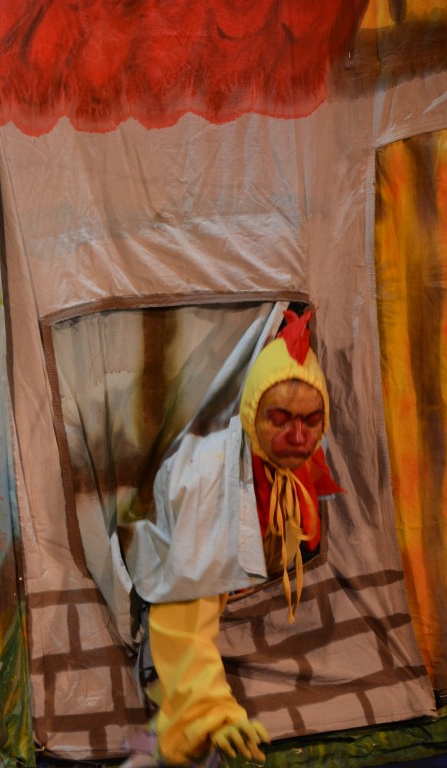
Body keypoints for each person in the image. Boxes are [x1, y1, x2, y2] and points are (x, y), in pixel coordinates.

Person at [138, 309, 342, 766]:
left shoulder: (294, 468)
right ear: (251, 414)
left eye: (311, 420)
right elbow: (182, 612)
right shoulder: (209, 481)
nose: (298, 435)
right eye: (280, 418)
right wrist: (214, 713)